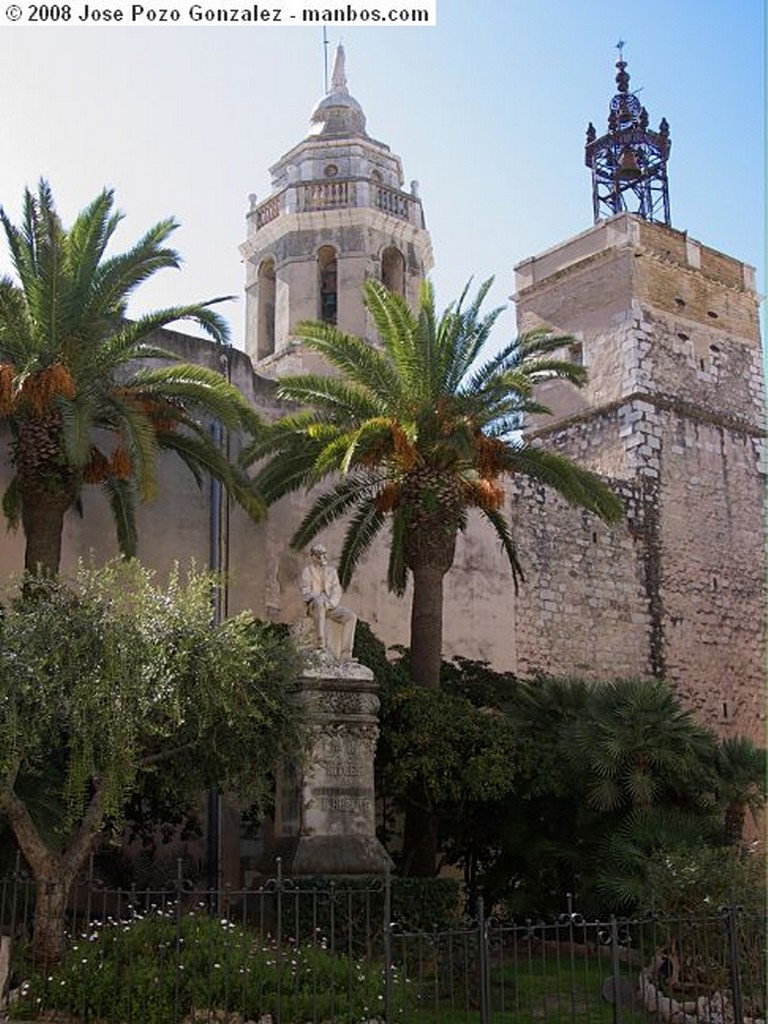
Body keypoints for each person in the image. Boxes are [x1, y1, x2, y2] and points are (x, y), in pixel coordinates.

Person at [299, 544, 357, 659]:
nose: (323, 557)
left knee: (351, 616)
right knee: (320, 604)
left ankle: (346, 653)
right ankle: (320, 645)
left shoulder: (332, 571)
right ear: (313, 556)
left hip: (330, 606)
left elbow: (337, 590)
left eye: (324, 553)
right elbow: (306, 592)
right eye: (319, 554)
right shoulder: (307, 571)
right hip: (314, 606)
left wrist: (330, 603)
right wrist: (318, 598)